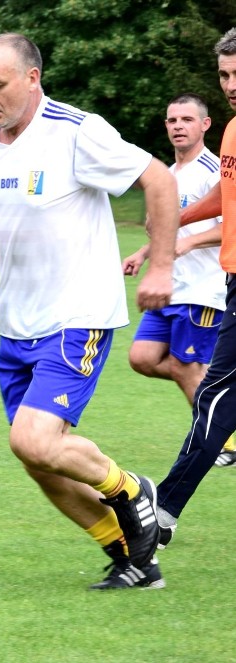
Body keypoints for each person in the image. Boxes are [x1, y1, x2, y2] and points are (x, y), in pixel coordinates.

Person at [0, 33, 179, 590]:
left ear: (32, 78)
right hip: (17, 323)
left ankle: (132, 491)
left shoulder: (77, 132)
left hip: (77, 315)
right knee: (39, 459)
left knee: (33, 440)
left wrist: (162, 268)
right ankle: (132, 556)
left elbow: (160, 179)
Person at [155, 28, 236, 547]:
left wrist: (186, 237)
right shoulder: (232, 131)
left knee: (213, 399)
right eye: (225, 74)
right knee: (216, 400)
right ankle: (161, 513)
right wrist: (179, 216)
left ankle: (159, 513)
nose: (231, 84)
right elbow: (225, 195)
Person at [122, 94, 224, 404]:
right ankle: (220, 391)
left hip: (203, 289)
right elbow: (169, 229)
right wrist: (143, 253)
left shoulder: (215, 171)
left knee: (184, 366)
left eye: (187, 119)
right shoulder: (166, 174)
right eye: (173, 120)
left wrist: (188, 243)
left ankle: (225, 443)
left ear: (205, 125)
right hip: (171, 288)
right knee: (143, 357)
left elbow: (230, 228)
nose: (179, 126)